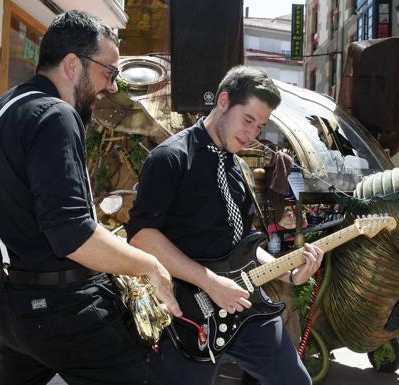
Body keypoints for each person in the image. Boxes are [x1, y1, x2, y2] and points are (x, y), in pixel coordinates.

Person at [0, 11, 180, 384]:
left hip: (9, 305)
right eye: (109, 72)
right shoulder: (56, 115)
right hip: (62, 310)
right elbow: (72, 235)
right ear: (73, 64)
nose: (112, 86)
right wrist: (150, 267)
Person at [127, 66, 324, 385]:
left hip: (247, 309)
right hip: (188, 314)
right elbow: (141, 237)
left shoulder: (241, 170)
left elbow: (245, 247)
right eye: (248, 120)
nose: (252, 134)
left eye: (260, 126)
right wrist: (210, 283)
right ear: (223, 101)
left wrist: (287, 271)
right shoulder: (171, 158)